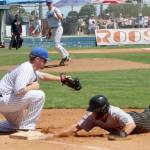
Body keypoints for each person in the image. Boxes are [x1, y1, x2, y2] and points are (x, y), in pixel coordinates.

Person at [0, 47, 65, 132]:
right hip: (5, 100)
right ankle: (27, 127)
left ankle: (22, 126)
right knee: (39, 95)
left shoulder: (29, 67)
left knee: (16, 125)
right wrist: (32, 87)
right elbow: (18, 91)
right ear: (37, 59)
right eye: (44, 61)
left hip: (6, 101)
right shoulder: (26, 69)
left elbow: (43, 76)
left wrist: (62, 79)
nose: (45, 63)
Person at [50, 95, 150, 138]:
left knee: (147, 114)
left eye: (95, 111)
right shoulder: (92, 116)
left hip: (137, 121)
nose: (93, 113)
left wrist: (122, 134)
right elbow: (77, 127)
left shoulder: (115, 112)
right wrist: (57, 134)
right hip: (125, 122)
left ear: (103, 110)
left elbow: (131, 125)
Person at [46, 0, 70, 66]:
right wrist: (49, 31)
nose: (48, 4)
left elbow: (61, 18)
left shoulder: (56, 9)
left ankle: (64, 57)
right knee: (57, 45)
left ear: (52, 3)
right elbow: (49, 23)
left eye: (49, 3)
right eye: (47, 3)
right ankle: (66, 55)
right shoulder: (47, 12)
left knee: (56, 45)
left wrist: (56, 14)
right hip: (52, 29)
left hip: (58, 28)